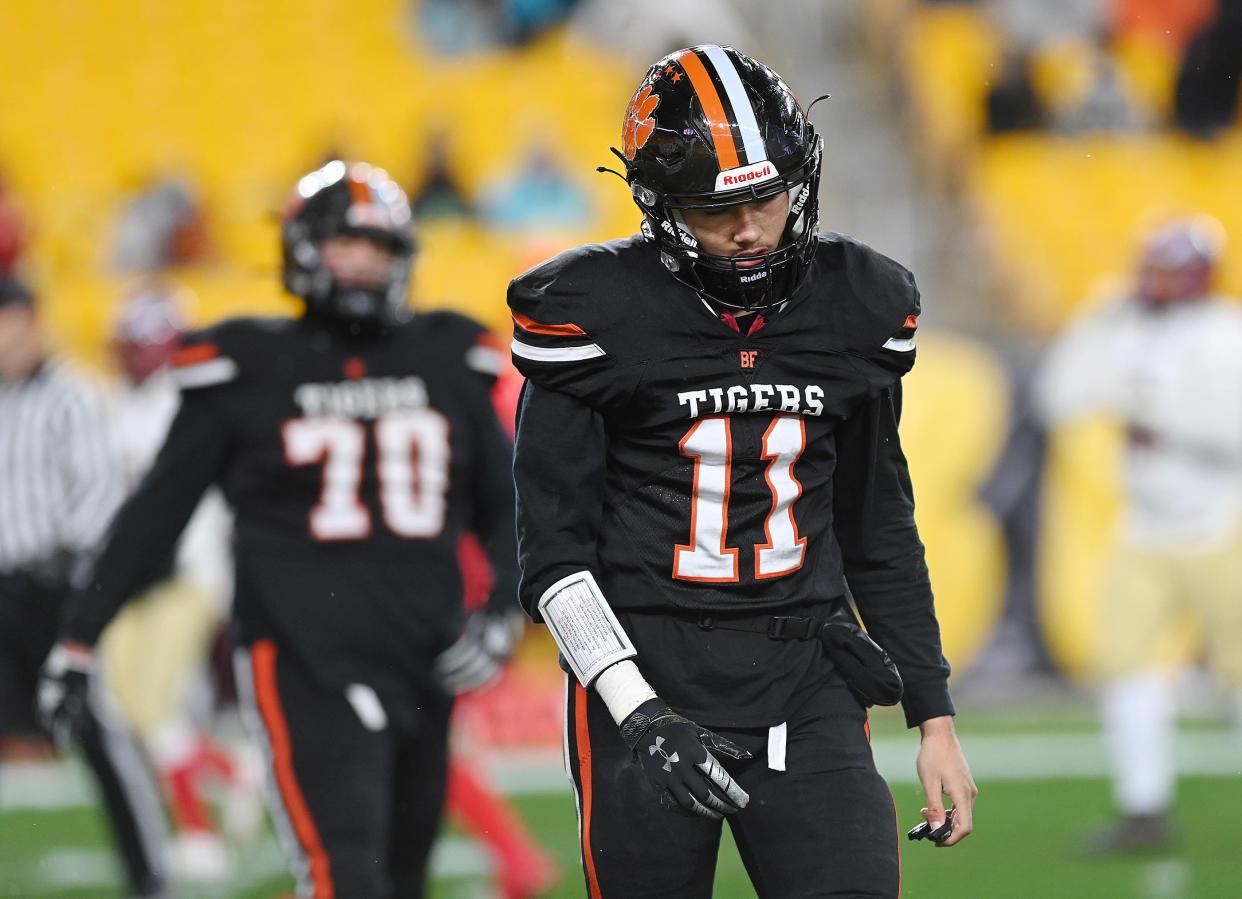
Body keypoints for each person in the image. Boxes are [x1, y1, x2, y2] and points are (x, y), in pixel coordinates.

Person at [508, 45, 977, 897]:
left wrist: (933, 713)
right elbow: (552, 558)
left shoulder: (857, 302)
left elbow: (878, 525)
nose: (751, 227)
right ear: (661, 207)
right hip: (648, 675)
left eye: (765, 196)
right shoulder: (592, 314)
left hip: (807, 675)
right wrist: (637, 708)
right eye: (715, 209)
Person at [40, 160, 523, 898]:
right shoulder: (244, 363)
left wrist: (500, 613)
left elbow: (512, 503)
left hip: (426, 651)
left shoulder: (449, 353)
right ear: (303, 249)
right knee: (343, 873)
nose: (364, 261)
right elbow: (156, 513)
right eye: (345, 243)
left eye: (380, 246)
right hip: (302, 656)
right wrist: (81, 633)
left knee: (400, 878)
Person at [1036, 218, 1242, 853]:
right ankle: (1143, 808)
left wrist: (1160, 416)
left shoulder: (1226, 332)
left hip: (1222, 522)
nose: (1162, 282)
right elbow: (1058, 400)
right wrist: (1095, 322)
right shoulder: (1128, 328)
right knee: (1125, 666)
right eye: (1156, 267)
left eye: (1174, 269)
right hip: (1146, 527)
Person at [0, 275, 170, 897]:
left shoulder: (73, 395)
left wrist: (79, 582)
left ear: (30, 321)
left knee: (99, 732)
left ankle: (150, 874)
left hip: (54, 584)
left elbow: (99, 497)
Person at [101, 279, 246, 881]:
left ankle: (197, 828)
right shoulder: (129, 404)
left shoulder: (180, 402)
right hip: (141, 576)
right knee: (121, 707)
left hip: (188, 572)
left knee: (153, 708)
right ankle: (235, 776)